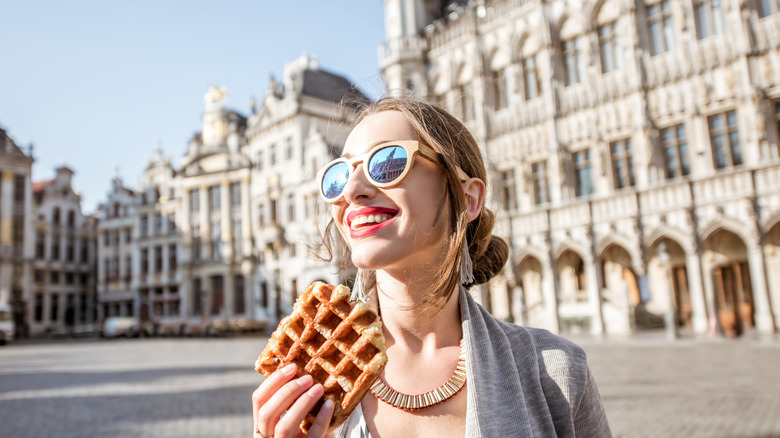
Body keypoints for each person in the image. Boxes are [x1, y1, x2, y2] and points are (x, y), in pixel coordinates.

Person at [252, 95, 612, 437]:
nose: (353, 189)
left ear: (467, 199)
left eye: (387, 162)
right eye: (339, 175)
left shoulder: (557, 374)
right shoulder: (302, 385)